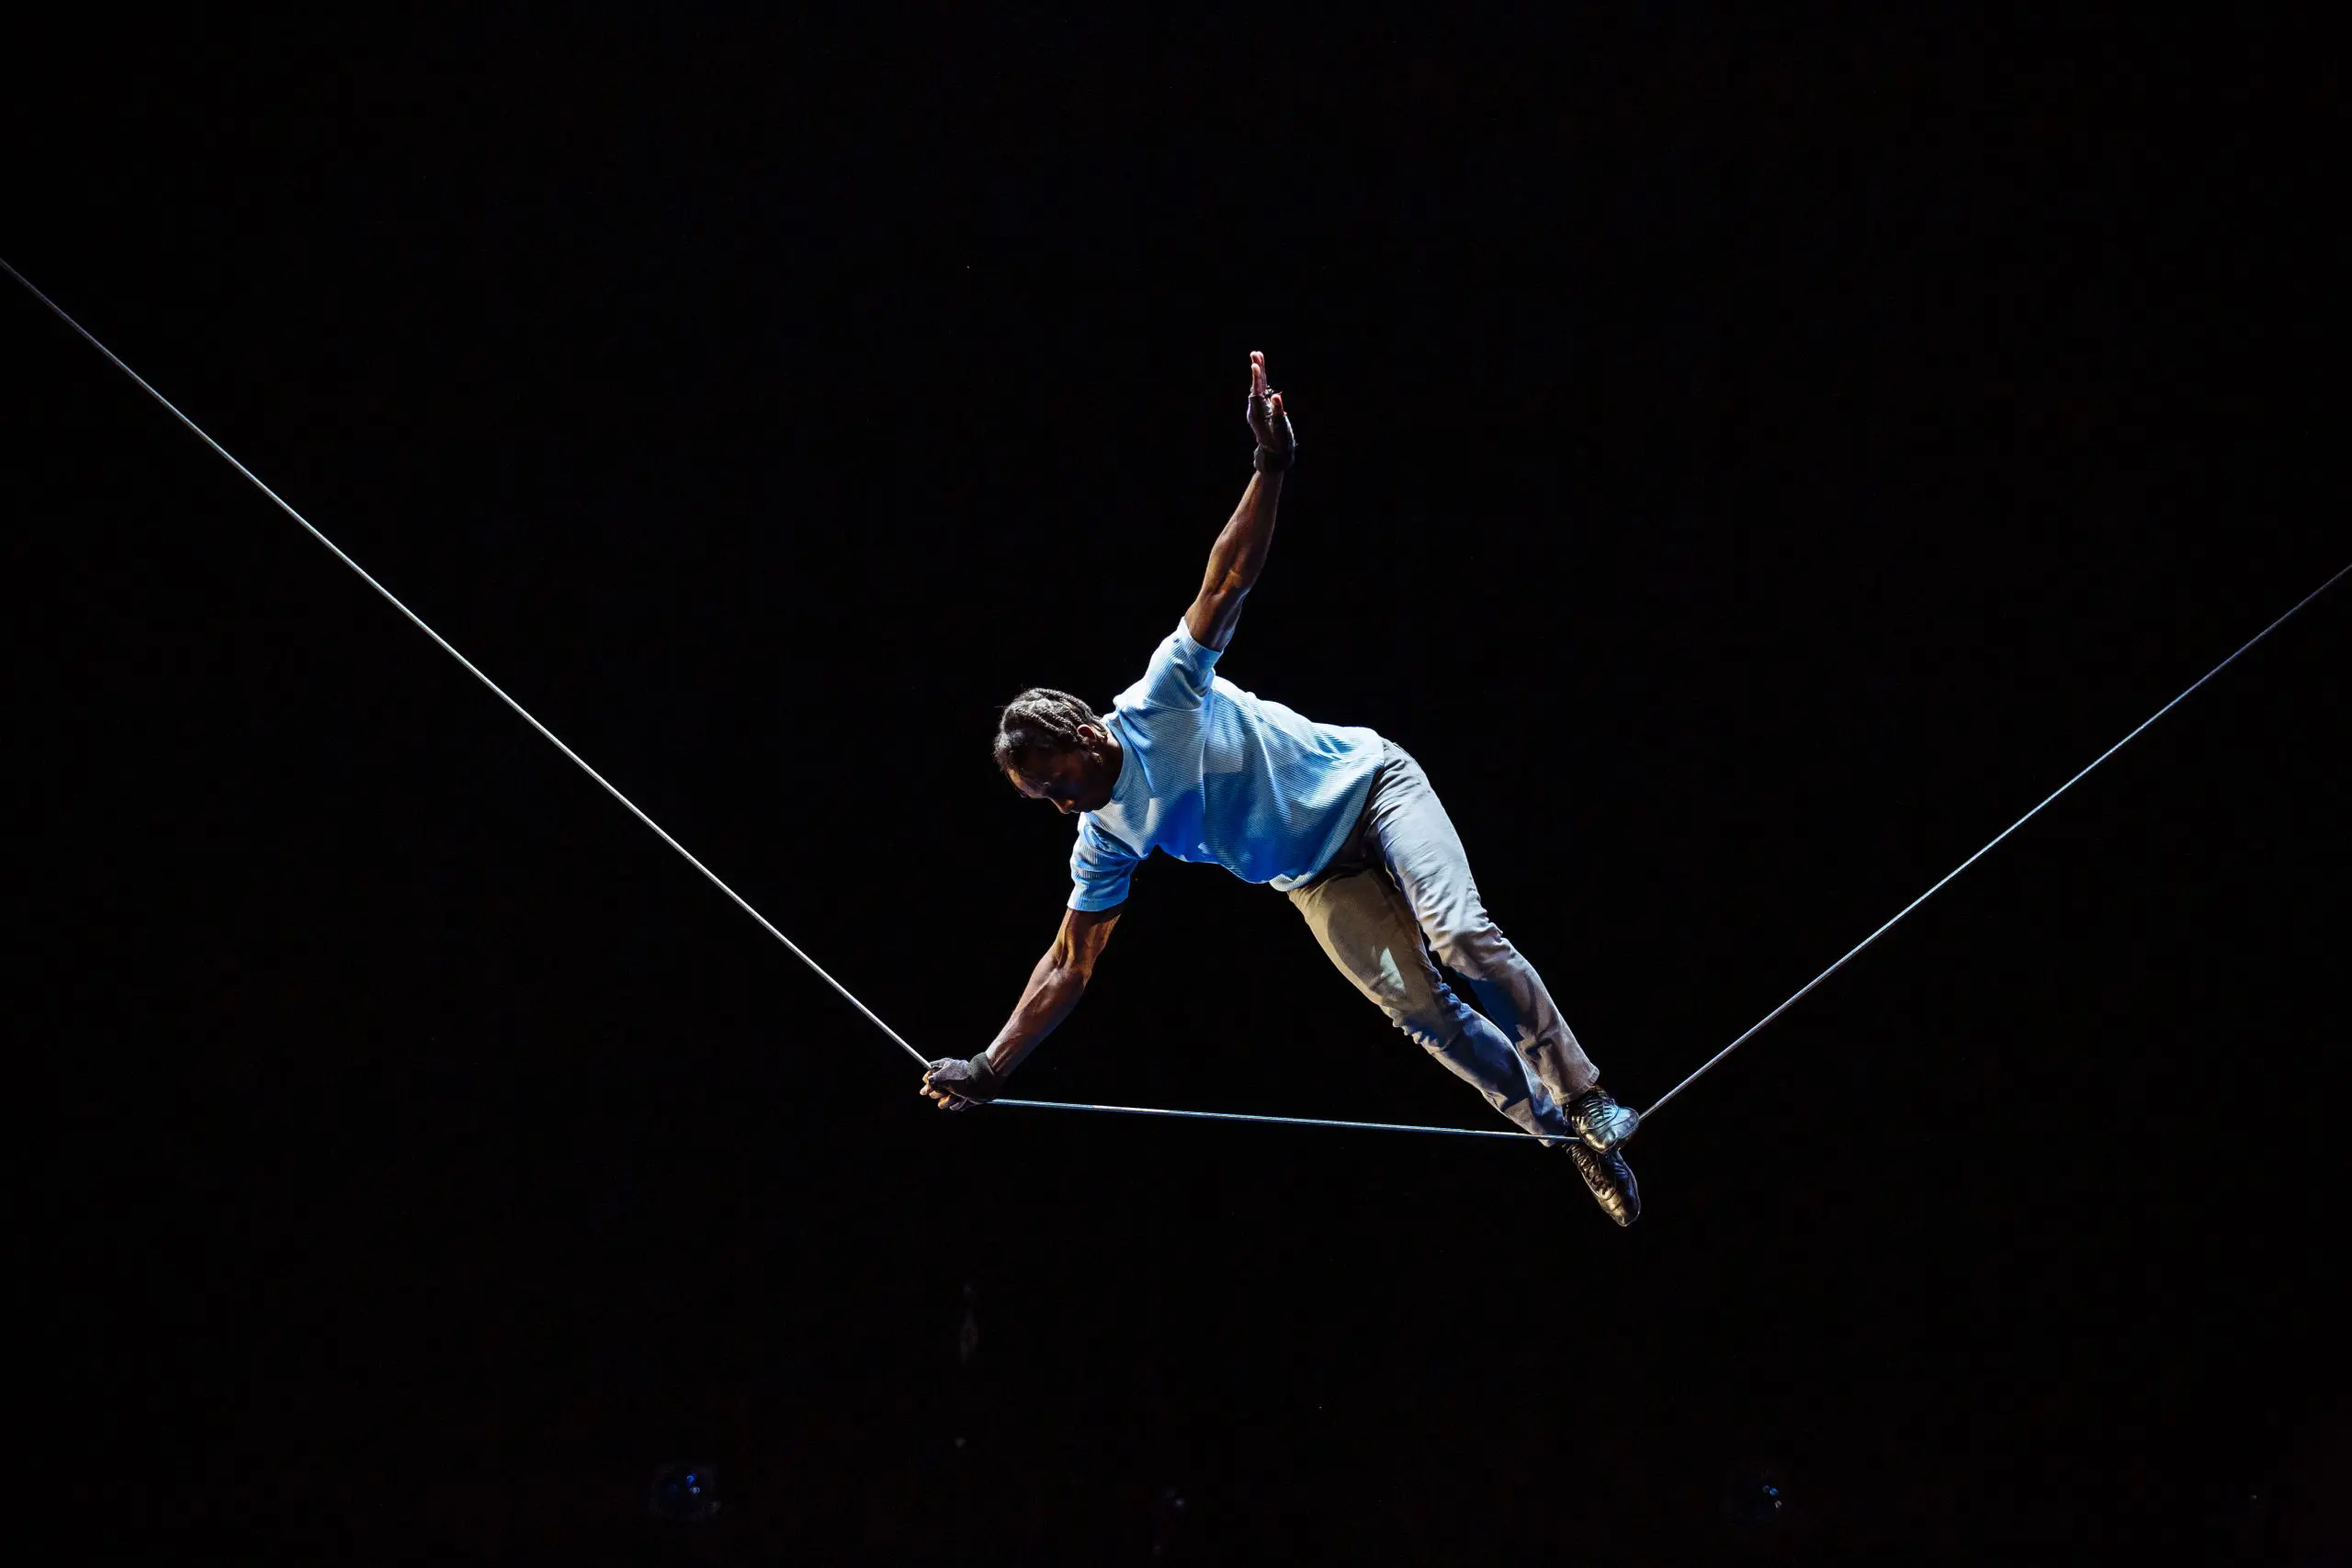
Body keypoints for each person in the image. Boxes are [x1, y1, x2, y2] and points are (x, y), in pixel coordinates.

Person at [922, 353, 1641, 1225]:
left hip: (1374, 791)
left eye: (1053, 783)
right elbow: (1071, 962)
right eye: (1039, 797)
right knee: (1423, 1013)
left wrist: (1270, 461)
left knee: (1458, 935)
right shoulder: (1105, 837)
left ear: (1085, 737)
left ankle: (1586, 1095)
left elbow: (1226, 577)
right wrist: (990, 1066)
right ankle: (1569, 1142)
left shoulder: (1160, 700)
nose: (1057, 804)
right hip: (1314, 876)